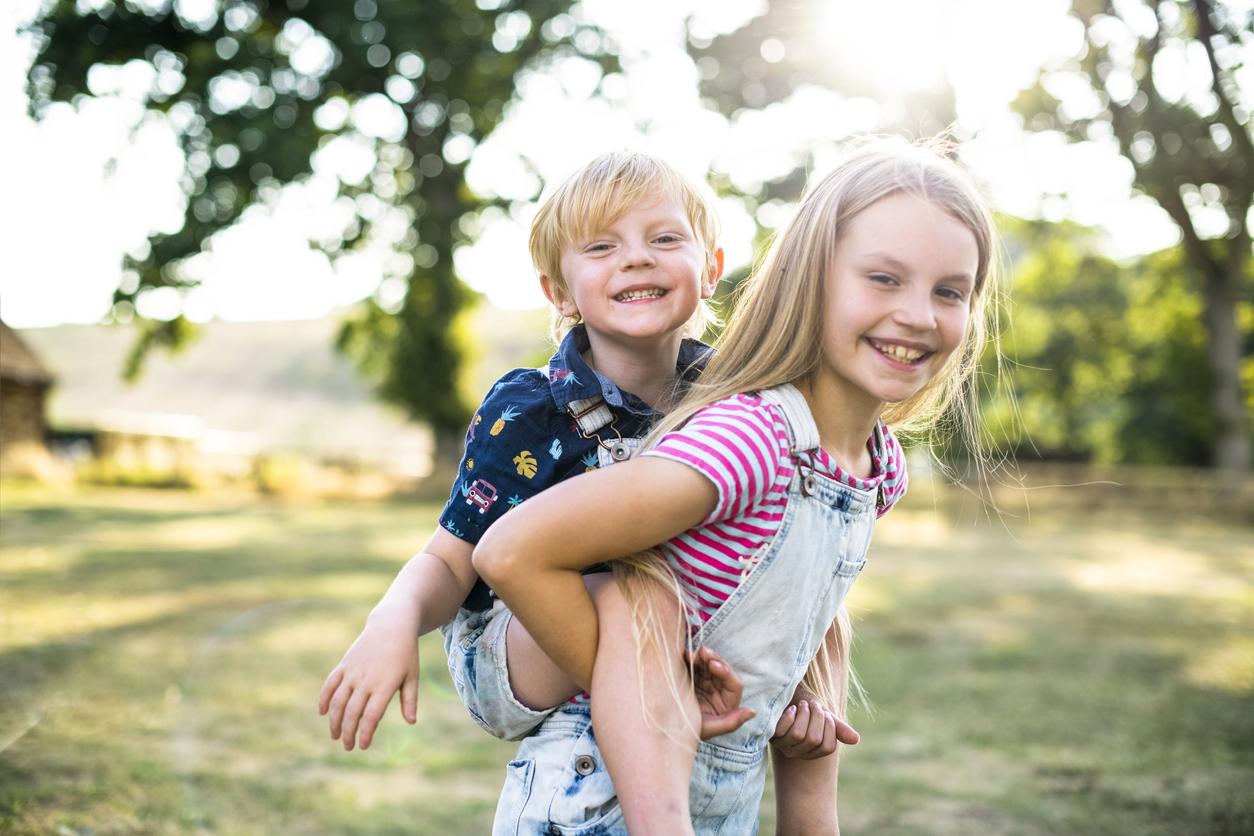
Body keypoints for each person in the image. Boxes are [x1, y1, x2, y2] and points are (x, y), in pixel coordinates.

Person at [475, 137, 1003, 834]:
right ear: (811, 280)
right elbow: (512, 551)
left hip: (721, 801)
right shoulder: (749, 438)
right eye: (883, 279)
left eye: (949, 291)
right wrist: (663, 696)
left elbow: (812, 623)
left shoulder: (877, 467)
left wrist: (806, 721)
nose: (918, 314)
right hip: (597, 802)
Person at [317, 151, 858, 807]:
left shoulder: (731, 405)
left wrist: (799, 684)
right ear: (560, 293)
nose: (636, 258)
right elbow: (452, 561)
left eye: (664, 239)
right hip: (509, 646)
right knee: (636, 593)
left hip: (658, 643)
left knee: (683, 584)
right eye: (601, 246)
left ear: (710, 269)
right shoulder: (530, 409)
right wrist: (393, 618)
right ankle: (663, 716)